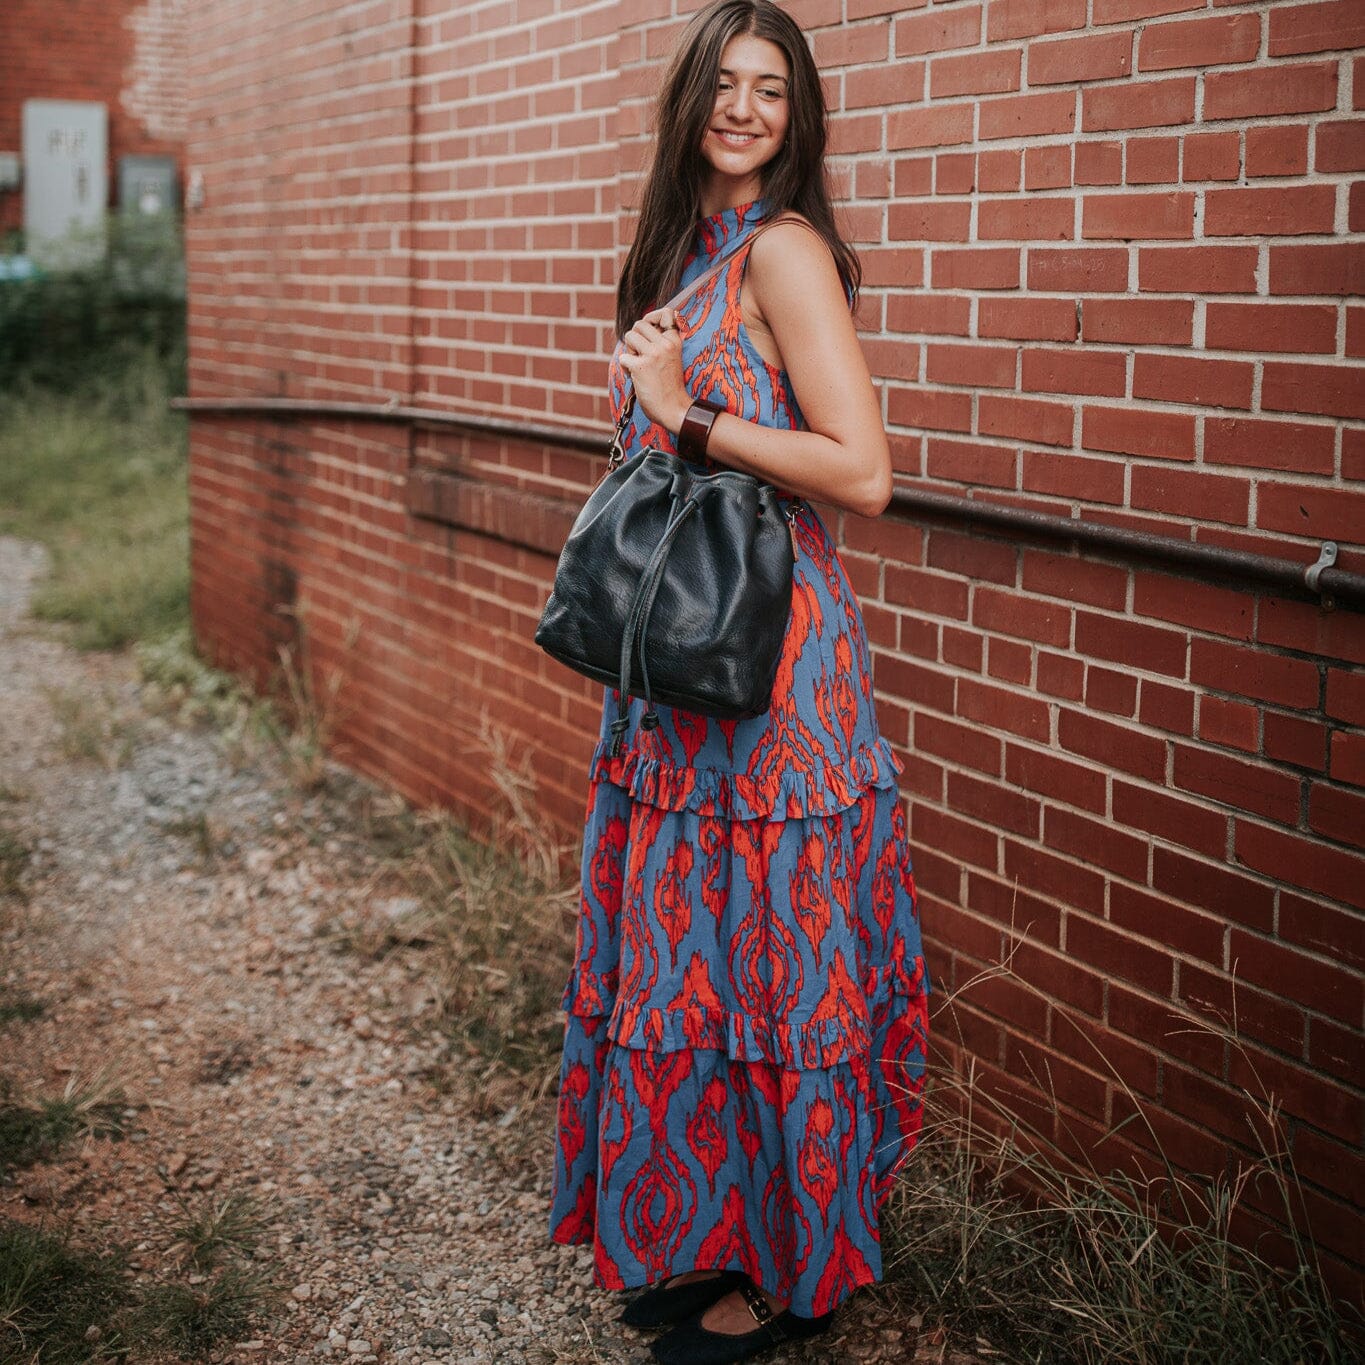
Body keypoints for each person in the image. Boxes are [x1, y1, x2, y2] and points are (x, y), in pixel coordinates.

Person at [548, 3, 932, 1362]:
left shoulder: (780, 250)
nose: (746, 105)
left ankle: (792, 1272)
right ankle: (711, 1227)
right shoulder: (682, 249)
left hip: (772, 675)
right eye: (725, 80)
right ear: (689, 99)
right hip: (676, 668)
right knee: (699, 961)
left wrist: (689, 414)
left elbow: (862, 472)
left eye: (773, 87)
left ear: (798, 113)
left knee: (773, 963)